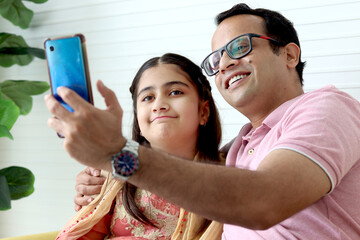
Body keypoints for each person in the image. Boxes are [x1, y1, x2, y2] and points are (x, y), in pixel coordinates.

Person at [45, 3, 360, 240]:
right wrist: (102, 175)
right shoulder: (238, 149)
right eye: (216, 58)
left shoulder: (328, 107)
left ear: (290, 55)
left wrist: (118, 154)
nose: (224, 63)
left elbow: (263, 201)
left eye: (240, 47)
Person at [54, 53, 223, 239]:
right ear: (138, 122)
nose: (159, 105)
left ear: (204, 111)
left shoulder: (230, 177)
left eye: (175, 92)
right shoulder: (116, 171)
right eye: (148, 98)